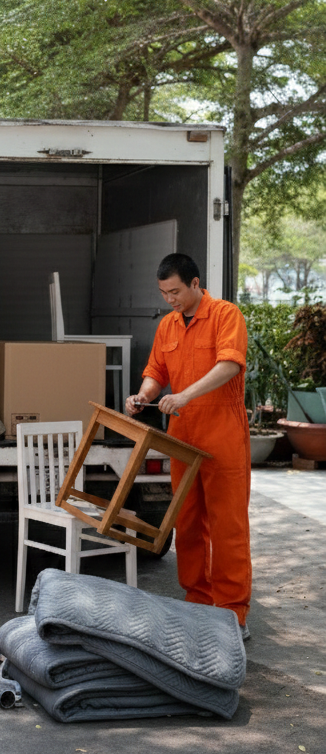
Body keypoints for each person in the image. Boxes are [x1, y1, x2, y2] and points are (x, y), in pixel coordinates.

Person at [124, 253, 251, 638]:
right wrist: (142, 395)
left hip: (222, 432)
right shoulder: (167, 326)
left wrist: (184, 396)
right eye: (164, 293)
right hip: (183, 436)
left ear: (195, 284)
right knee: (189, 521)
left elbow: (230, 364)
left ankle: (232, 612)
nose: (170, 299)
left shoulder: (227, 315)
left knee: (228, 525)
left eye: (175, 291)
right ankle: (198, 600)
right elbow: (156, 373)